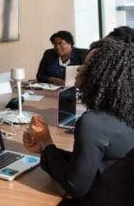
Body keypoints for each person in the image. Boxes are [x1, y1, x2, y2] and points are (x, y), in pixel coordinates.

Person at [23, 36, 134, 205]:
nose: (79, 69)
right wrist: (45, 149)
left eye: (87, 66)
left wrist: (46, 142)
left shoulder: (93, 123)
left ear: (102, 75)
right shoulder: (123, 113)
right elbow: (91, 163)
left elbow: (75, 186)